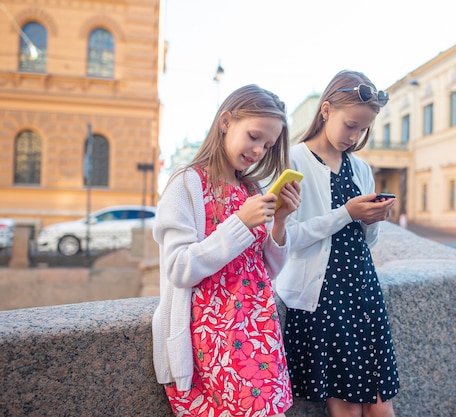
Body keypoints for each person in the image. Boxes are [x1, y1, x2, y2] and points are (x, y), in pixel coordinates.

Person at [151, 84, 301, 417]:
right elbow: (178, 267)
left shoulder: (251, 188)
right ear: (225, 121)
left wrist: (279, 223)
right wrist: (241, 223)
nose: (260, 150)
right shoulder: (186, 184)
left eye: (268, 144)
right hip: (214, 341)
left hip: (259, 333)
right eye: (254, 136)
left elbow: (264, 272)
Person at [276, 70, 399, 417]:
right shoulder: (294, 160)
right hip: (322, 298)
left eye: (363, 129)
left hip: (363, 289)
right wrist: (346, 213)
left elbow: (367, 241)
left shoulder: (360, 168)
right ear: (326, 110)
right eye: (350, 125)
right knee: (346, 408)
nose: (355, 136)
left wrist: (373, 219)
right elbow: (286, 238)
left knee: (381, 405)